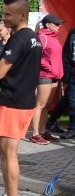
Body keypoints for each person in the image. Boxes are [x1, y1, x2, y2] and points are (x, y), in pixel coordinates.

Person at [0, 0, 41, 196]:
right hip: (21, 100)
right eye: (3, 13)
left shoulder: (19, 38)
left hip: (14, 101)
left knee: (8, 153)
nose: (3, 18)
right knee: (5, 151)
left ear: (22, 15)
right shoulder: (31, 37)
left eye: (8, 14)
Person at [29, 14, 64, 144]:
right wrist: (49, 68)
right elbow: (37, 57)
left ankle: (43, 131)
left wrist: (58, 72)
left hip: (55, 76)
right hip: (44, 76)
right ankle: (35, 134)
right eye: (57, 24)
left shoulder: (54, 38)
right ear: (48, 25)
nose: (59, 26)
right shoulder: (42, 37)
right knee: (40, 105)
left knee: (47, 105)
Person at [48, 24, 75, 136]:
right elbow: (66, 53)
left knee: (69, 99)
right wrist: (64, 74)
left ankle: (51, 121)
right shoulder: (72, 32)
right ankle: (72, 129)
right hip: (72, 70)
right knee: (71, 99)